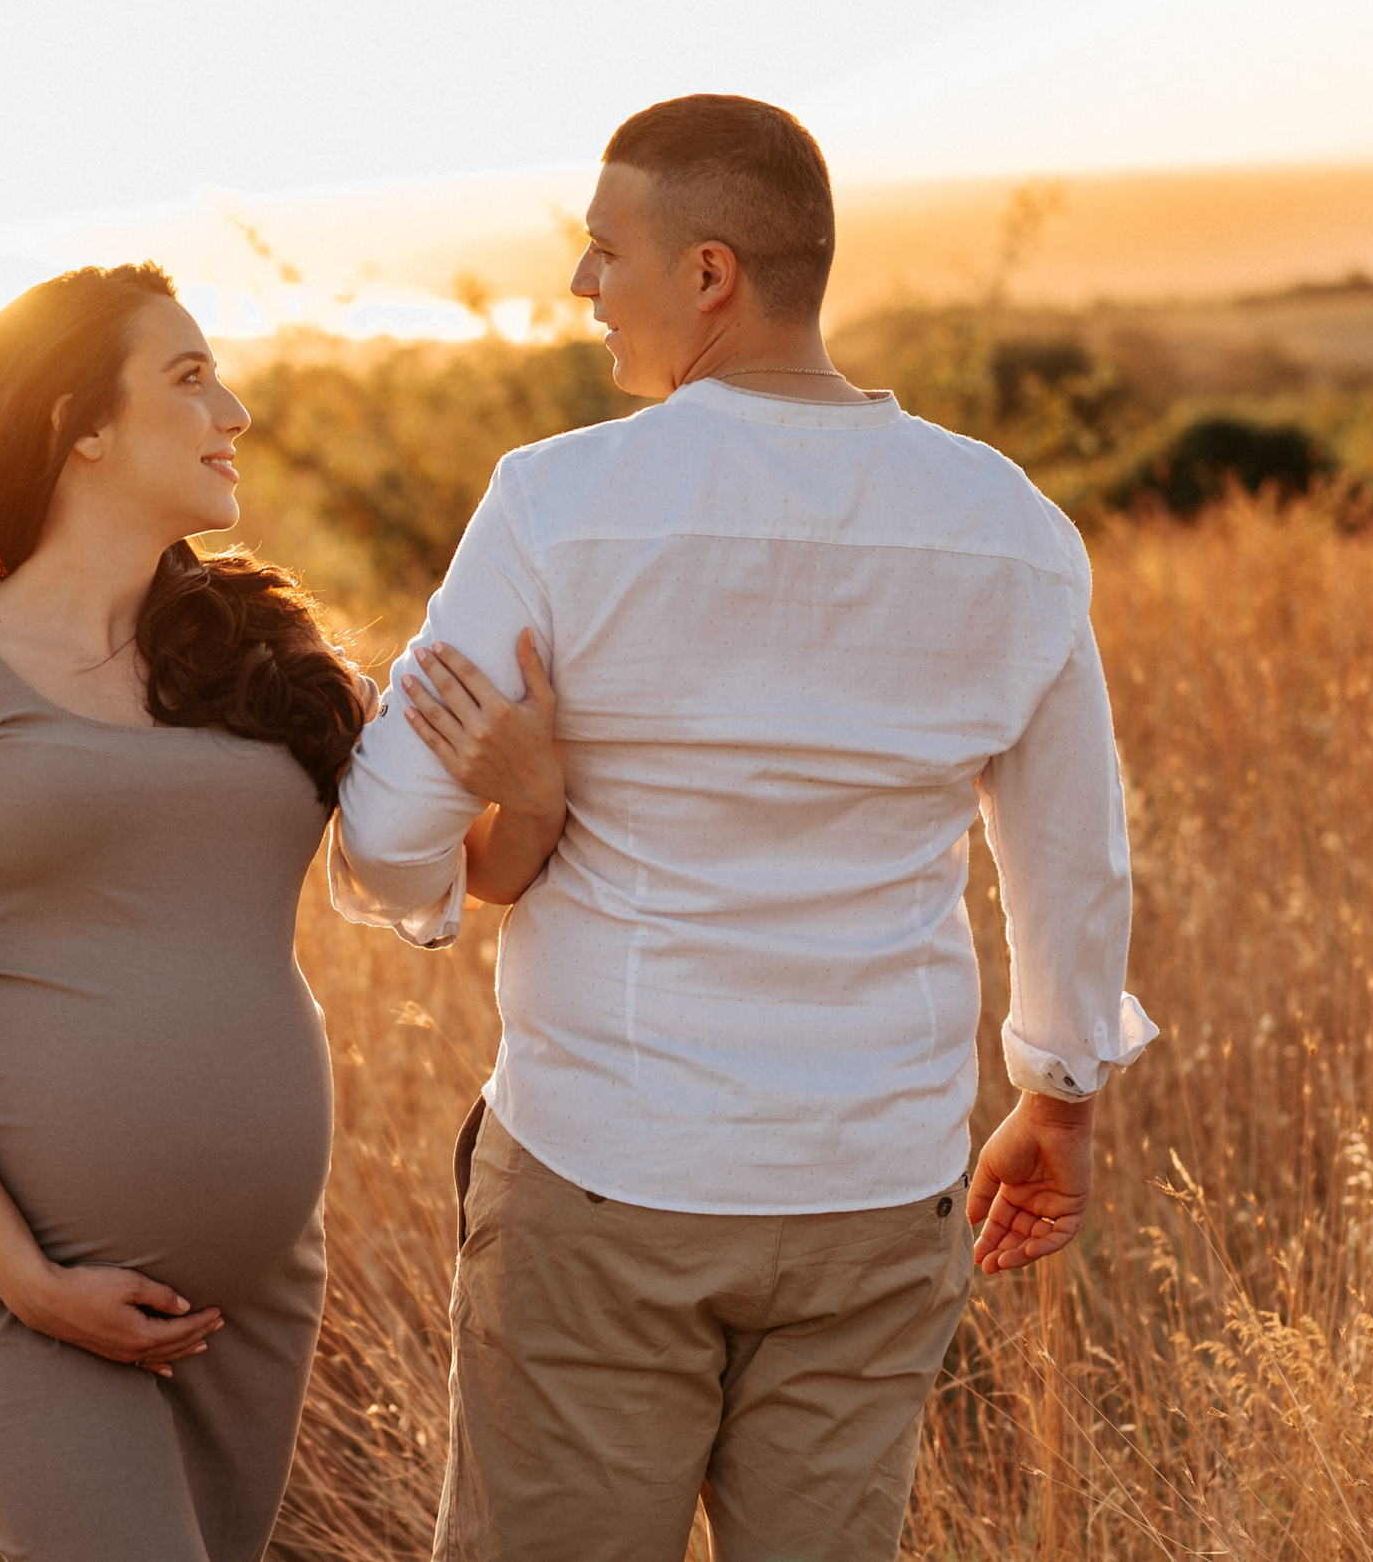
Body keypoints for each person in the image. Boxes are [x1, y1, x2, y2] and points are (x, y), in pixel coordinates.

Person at [331, 95, 1159, 1562]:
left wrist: (479, 856)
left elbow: (390, 826)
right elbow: (1072, 854)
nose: (584, 287)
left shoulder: (557, 506)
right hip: (877, 1179)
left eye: (604, 251)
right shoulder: (1008, 526)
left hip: (606, 1167)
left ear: (710, 273)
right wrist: (1062, 1094)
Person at [0, 263, 554, 1561]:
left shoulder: (266, 663)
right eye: (189, 376)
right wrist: (29, 1281)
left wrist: (533, 786)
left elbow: (462, 870)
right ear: (76, 423)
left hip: (252, 1291)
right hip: (19, 1289)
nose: (235, 410)